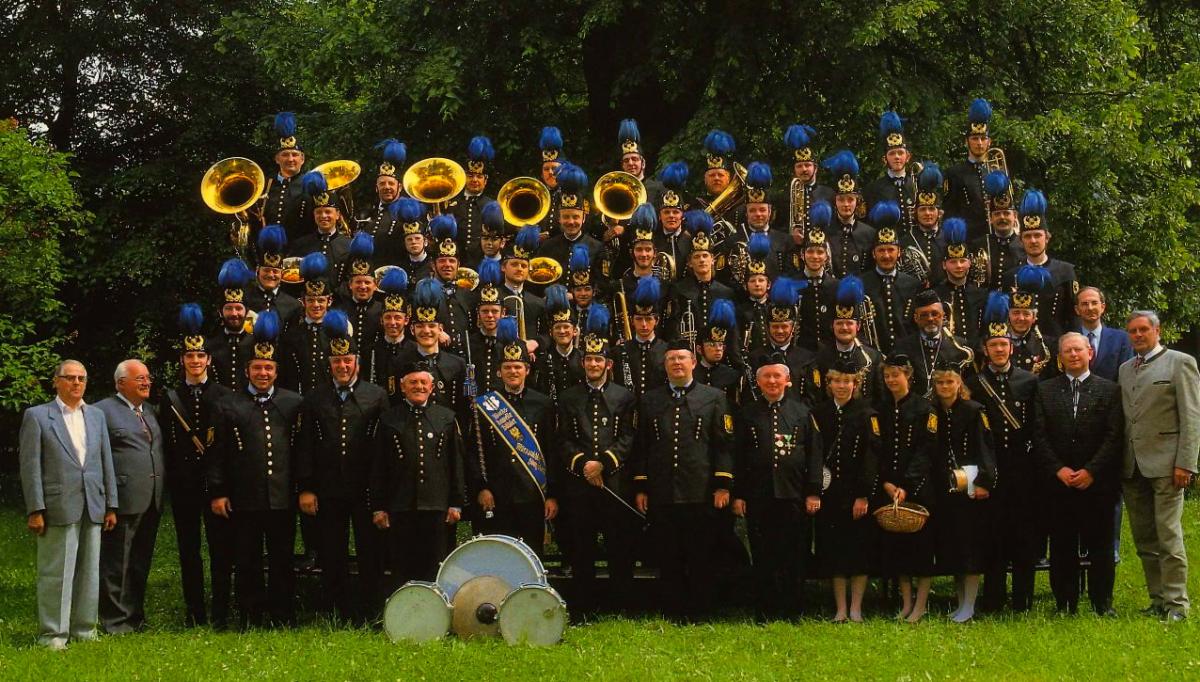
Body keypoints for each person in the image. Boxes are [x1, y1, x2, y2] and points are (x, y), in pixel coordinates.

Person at [208, 311, 304, 629]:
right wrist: (219, 491)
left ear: (277, 371)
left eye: (269, 368)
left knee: (281, 560)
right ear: (247, 370)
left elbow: (301, 450)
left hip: (281, 498)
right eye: (258, 367)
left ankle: (282, 615)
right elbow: (218, 453)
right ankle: (250, 615)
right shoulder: (229, 405)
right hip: (244, 498)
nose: (263, 373)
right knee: (247, 559)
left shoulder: (292, 403)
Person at [295, 311, 389, 622]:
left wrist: (380, 493)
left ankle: (371, 610)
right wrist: (307, 487)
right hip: (329, 487)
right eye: (337, 362)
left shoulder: (376, 396)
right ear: (330, 365)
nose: (343, 366)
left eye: (347, 361)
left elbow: (382, 448)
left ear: (356, 364)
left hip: (365, 489)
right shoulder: (314, 398)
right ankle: (334, 609)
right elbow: (305, 445)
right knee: (331, 552)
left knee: (370, 552)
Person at [633, 341, 735, 621]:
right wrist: (642, 486)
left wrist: (722, 485)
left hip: (700, 491)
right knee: (668, 554)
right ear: (664, 366)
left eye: (682, 358)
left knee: (700, 554)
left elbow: (723, 444)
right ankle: (672, 609)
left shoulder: (714, 397)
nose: (677, 363)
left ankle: (700, 610)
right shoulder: (650, 400)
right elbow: (642, 446)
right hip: (663, 490)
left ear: (693, 362)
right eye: (671, 360)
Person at [19, 360, 118, 650]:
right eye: (70, 378)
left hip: (93, 502)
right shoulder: (38, 416)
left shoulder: (97, 416)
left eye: (81, 378)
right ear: (56, 381)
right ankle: (53, 635)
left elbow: (105, 461)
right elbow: (30, 467)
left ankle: (85, 630)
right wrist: (35, 509)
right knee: (56, 572)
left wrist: (111, 503)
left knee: (90, 571)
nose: (76, 383)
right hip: (56, 504)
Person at [1033, 332, 1124, 616]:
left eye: (1078, 350)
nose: (1073, 355)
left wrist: (1091, 470)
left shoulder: (1110, 390)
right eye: (1067, 351)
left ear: (1089, 354)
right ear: (1060, 357)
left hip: (1096, 483)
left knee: (1100, 546)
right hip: (1059, 483)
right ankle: (1065, 603)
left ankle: (1102, 603)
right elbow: (1038, 434)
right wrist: (1057, 468)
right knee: (1062, 546)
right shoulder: (1045, 390)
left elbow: (1114, 436)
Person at [556, 306, 639, 616]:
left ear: (608, 363)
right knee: (582, 548)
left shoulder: (624, 396)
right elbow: (562, 440)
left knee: (620, 546)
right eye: (589, 359)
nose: (593, 364)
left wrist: (604, 462)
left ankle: (621, 606)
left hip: (614, 483)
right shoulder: (568, 397)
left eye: (598, 359)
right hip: (578, 485)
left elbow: (629, 436)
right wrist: (583, 466)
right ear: (583, 362)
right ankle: (583, 607)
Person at [1119, 310, 1200, 622]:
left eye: (1143, 330)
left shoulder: (1180, 362)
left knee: (1169, 535)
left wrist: (1186, 463)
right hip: (1132, 466)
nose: (1137, 335)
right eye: (1132, 331)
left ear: (1157, 331)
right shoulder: (1126, 369)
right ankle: (1158, 600)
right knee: (1145, 539)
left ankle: (1177, 604)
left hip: (1168, 466)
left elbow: (1191, 417)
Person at [732, 353, 823, 621]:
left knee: (793, 554)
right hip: (759, 496)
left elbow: (814, 455)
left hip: (793, 495)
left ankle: (793, 609)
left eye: (777, 376)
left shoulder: (803, 413)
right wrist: (738, 494)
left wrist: (813, 491)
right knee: (763, 553)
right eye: (766, 377)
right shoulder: (747, 413)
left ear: (788, 381)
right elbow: (738, 456)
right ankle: (765, 610)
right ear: (758, 382)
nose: (772, 381)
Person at [967, 293, 1041, 613]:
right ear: (986, 349)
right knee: (992, 535)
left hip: (1021, 468)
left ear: (1011, 346)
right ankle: (994, 598)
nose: (999, 349)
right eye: (993, 345)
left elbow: (1036, 425)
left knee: (1022, 536)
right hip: (989, 467)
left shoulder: (1029, 381)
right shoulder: (973, 383)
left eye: (1004, 344)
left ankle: (1023, 599)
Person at [161, 305, 235, 629]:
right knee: (188, 552)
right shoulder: (170, 397)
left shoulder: (224, 396)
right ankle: (194, 613)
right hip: (184, 486)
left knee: (221, 552)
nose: (195, 362)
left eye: (200, 357)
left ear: (208, 360)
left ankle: (220, 613)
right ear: (183, 361)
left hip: (215, 486)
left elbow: (229, 446)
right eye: (189, 357)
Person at [908, 364, 996, 623]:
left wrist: (984, 483)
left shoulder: (974, 411)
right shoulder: (933, 413)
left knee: (969, 547)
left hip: (969, 487)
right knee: (954, 549)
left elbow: (985, 448)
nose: (945, 388)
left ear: (960, 385)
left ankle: (969, 605)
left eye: (950, 383)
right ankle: (959, 604)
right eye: (940, 383)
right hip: (943, 489)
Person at [465, 317, 558, 557]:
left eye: (518, 366)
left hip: (532, 494)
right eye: (507, 367)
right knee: (498, 558)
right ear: (499, 371)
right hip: (497, 494)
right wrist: (481, 488)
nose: (513, 371)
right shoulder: (484, 405)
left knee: (532, 555)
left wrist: (552, 495)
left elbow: (552, 450)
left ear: (527, 369)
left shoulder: (544, 404)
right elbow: (474, 452)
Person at [370, 363, 466, 587]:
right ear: (403, 387)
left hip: (436, 507)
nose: (419, 386)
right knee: (402, 567)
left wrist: (456, 503)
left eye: (423, 382)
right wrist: (378, 506)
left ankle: (437, 617)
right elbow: (378, 467)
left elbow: (456, 464)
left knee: (436, 567)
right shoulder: (388, 420)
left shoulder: (447, 418)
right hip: (400, 506)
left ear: (432, 387)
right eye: (413, 382)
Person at [94, 359, 164, 634]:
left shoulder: (150, 411)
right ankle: (113, 620)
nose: (147, 382)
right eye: (139, 379)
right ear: (120, 382)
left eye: (148, 377)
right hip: (122, 501)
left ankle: (135, 616)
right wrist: (108, 502)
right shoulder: (101, 412)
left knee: (139, 562)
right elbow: (96, 459)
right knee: (115, 564)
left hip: (151, 499)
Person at [812, 359, 880, 622]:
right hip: (829, 492)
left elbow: (871, 456)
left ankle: (856, 607)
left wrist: (864, 494)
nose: (842, 386)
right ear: (829, 384)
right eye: (836, 381)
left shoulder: (867, 414)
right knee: (834, 550)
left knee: (859, 550)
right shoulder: (819, 413)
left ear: (856, 384)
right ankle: (840, 608)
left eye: (847, 381)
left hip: (856, 494)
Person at [873, 355, 934, 623]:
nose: (891, 380)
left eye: (896, 375)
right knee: (897, 550)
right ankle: (906, 603)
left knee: (920, 549)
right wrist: (886, 481)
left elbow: (926, 450)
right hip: (889, 487)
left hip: (918, 487)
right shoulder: (881, 409)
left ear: (908, 376)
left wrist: (907, 485)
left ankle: (920, 604)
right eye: (887, 376)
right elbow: (878, 449)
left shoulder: (925, 408)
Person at [859, 200, 922, 354]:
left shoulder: (913, 284)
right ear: (874, 253)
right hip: (873, 355)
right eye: (881, 250)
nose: (886, 255)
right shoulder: (862, 283)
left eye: (890, 250)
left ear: (899, 252)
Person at [891, 289, 975, 399]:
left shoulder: (960, 346)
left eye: (935, 314)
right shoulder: (902, 347)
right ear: (916, 318)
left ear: (943, 316)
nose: (930, 319)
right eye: (924, 315)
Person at [943, 99, 996, 241]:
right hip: (967, 240)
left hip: (995, 240)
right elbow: (949, 213)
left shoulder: (996, 172)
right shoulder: (954, 173)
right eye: (975, 138)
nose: (979, 143)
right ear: (966, 142)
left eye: (983, 138)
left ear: (989, 142)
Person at [821, 150, 876, 278]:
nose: (846, 204)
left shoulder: (869, 233)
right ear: (835, 202)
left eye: (850, 199)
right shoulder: (824, 231)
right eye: (841, 200)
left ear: (857, 201)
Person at [862, 111, 918, 233]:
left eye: (900, 153)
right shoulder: (873, 189)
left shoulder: (916, 185)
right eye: (892, 153)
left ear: (908, 157)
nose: (897, 157)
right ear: (884, 159)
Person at [780, 123, 834, 244]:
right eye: (799, 166)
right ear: (794, 170)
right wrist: (790, 236)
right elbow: (777, 229)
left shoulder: (829, 194)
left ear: (816, 168)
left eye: (808, 165)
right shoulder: (785, 196)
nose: (804, 169)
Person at [207, 258, 256, 388]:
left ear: (247, 311)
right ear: (220, 312)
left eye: (239, 308)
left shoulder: (256, 343)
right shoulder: (210, 345)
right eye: (229, 308)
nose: (234, 313)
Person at [448, 135, 495, 267]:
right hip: (455, 263)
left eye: (479, 176)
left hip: (483, 264)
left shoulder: (492, 205)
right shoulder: (452, 203)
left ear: (485, 181)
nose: (474, 180)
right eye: (470, 175)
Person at [1075, 286, 1133, 382]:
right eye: (1085, 304)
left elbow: (1127, 376)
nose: (1090, 308)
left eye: (1094, 303)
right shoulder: (1067, 340)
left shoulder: (1122, 339)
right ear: (1077, 309)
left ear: (1102, 307)